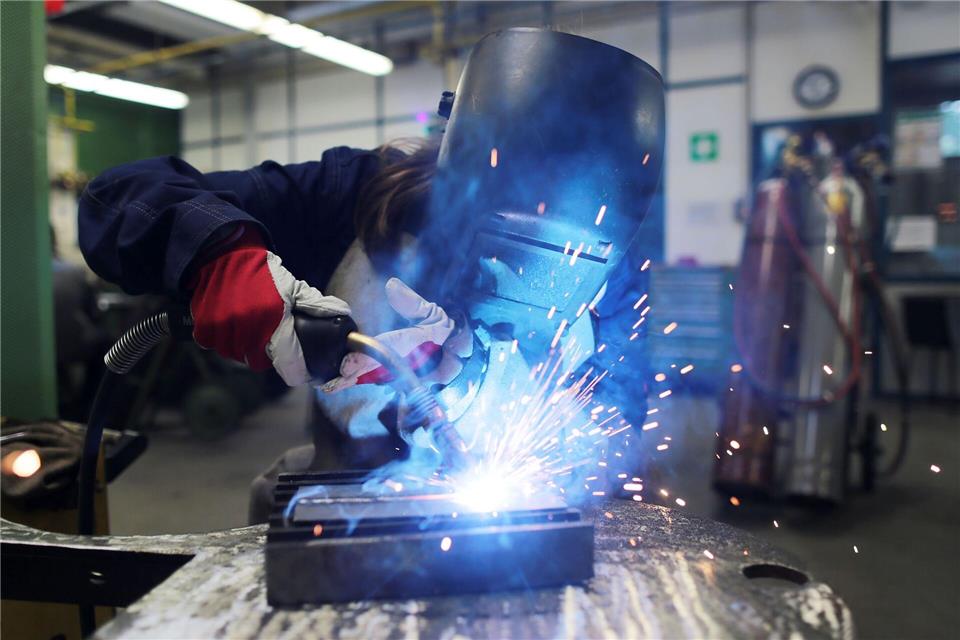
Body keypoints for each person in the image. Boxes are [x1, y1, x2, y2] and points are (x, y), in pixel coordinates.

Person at [78, 28, 665, 523]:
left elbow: (618, 414)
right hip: (339, 511)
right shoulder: (345, 198)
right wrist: (223, 259)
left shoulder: (615, 282)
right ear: (457, 167)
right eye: (504, 244)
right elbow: (121, 194)